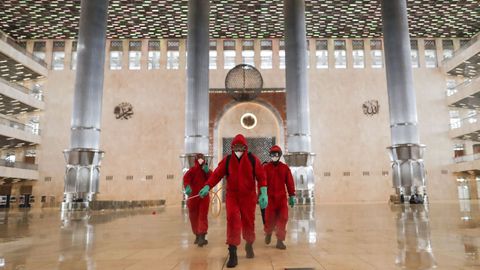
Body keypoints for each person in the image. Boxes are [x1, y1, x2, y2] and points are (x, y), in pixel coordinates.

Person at [199, 134, 268, 268]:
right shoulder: (228, 160)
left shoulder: (252, 159)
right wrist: (207, 186)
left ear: (245, 147)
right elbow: (217, 174)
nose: (238, 149)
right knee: (232, 219)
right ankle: (233, 252)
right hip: (233, 196)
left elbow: (261, 176)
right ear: (232, 147)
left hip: (248, 197)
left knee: (248, 221)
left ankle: (249, 244)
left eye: (241, 147)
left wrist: (263, 192)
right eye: (235, 146)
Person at [263, 145, 295, 250]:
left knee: (283, 219)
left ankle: (280, 241)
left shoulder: (285, 168)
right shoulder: (266, 168)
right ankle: (268, 233)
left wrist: (292, 195)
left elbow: (290, 182)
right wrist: (261, 195)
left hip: (281, 199)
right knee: (269, 220)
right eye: (272, 155)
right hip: (270, 199)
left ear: (280, 155)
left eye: (276, 154)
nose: (274, 156)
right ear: (270, 155)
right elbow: (262, 183)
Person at [183, 153, 211, 247]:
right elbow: (186, 178)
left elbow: (212, 178)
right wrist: (187, 187)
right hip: (193, 197)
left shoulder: (206, 170)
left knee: (202, 216)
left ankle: (202, 236)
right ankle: (197, 235)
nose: (200, 160)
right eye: (199, 159)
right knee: (193, 216)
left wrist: (207, 172)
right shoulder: (192, 171)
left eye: (202, 159)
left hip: (204, 197)